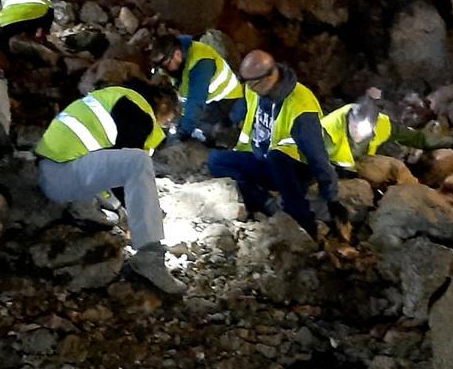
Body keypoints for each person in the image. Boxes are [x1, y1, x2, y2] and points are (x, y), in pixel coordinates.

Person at [35, 85, 184, 294]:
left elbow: (106, 167)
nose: (169, 122)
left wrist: (119, 207)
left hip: (57, 170)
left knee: (116, 208)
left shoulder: (117, 99)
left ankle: (85, 209)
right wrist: (140, 214)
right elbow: (127, 167)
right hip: (62, 174)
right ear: (163, 103)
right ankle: (150, 257)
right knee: (138, 161)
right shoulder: (138, 112)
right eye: (172, 114)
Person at [207, 50, 347, 239]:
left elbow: (317, 157)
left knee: (277, 158)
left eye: (252, 84)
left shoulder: (301, 107)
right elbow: (245, 105)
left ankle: (304, 222)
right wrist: (228, 122)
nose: (249, 88)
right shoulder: (254, 87)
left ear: (269, 77)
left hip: (295, 169)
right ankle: (266, 202)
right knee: (216, 160)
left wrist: (332, 199)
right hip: (261, 158)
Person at [149, 33, 245, 145]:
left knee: (203, 129)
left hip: (225, 101)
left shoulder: (202, 65)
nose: (163, 69)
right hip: (206, 97)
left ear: (177, 54)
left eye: (165, 65)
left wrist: (181, 133)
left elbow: (196, 103)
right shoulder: (174, 52)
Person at [322, 96, 393, 173]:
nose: (357, 131)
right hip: (331, 167)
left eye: (364, 128)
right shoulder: (327, 133)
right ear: (349, 117)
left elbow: (402, 132)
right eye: (354, 124)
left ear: (374, 125)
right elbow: (314, 160)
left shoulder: (383, 124)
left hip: (360, 169)